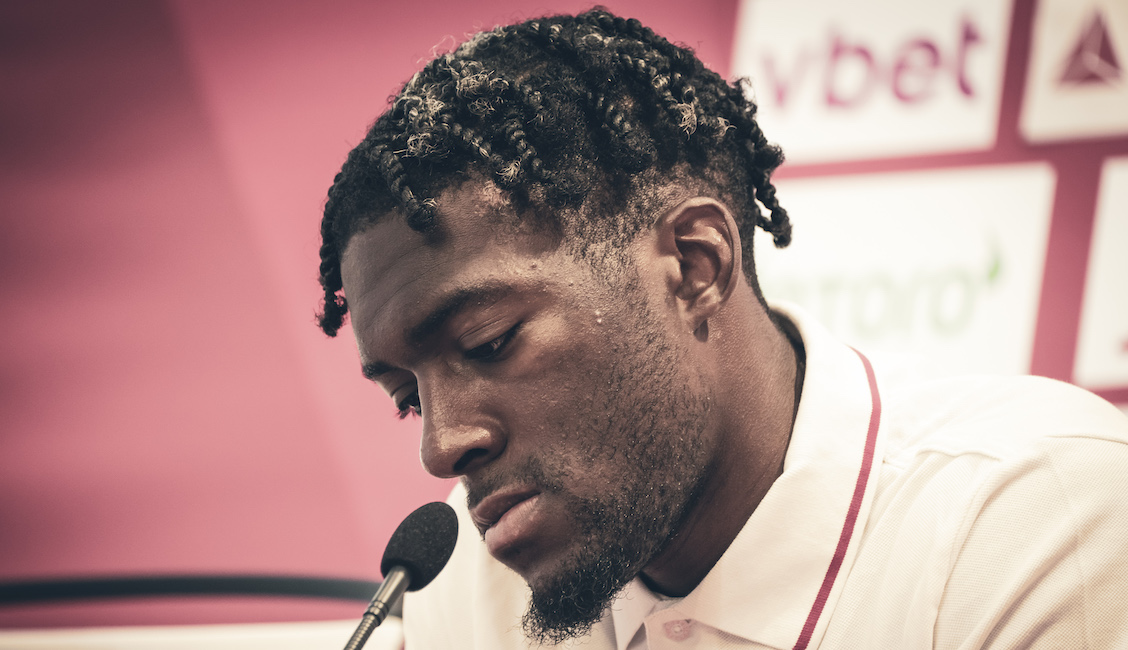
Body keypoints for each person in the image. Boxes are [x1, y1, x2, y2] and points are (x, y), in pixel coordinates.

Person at [315, 9, 1128, 649]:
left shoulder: (1037, 520)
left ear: (694, 266)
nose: (442, 449)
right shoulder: (469, 586)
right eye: (406, 398)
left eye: (490, 342)